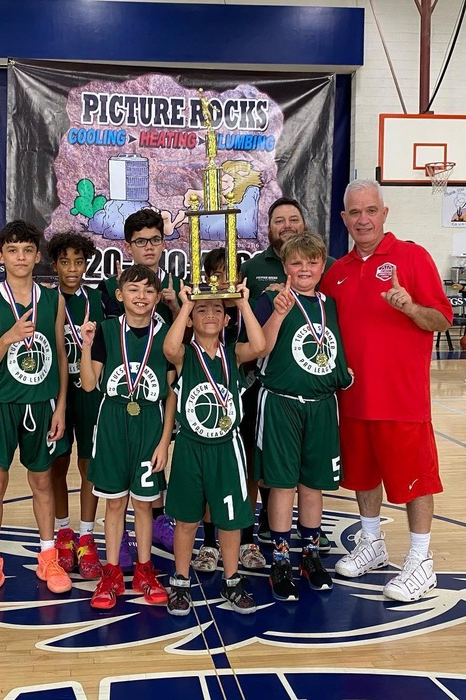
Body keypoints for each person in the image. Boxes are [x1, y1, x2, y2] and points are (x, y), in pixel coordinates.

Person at [320, 179, 453, 602]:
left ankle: (420, 560)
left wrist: (410, 306)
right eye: (354, 212)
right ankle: (372, 542)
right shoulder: (336, 273)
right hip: (354, 398)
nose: (363, 219)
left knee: (414, 482)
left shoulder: (411, 257)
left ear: (384, 212)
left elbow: (442, 321)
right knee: (363, 476)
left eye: (370, 210)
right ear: (344, 219)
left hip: (401, 398)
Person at [0, 220, 71, 604]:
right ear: (1, 257)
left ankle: (48, 557)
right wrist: (9, 335)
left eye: (27, 250)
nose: (21, 257)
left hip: (42, 404)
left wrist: (60, 405)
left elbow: (61, 354)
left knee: (42, 482)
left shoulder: (53, 300)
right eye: (12, 251)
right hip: (1, 405)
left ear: (37, 256)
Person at [254, 233, 353, 601]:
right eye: (296, 263)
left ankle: (310, 555)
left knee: (313, 484)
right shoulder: (272, 299)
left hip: (322, 404)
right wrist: (279, 314)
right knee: (282, 484)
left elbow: (336, 349)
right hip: (282, 402)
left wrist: (344, 376)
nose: (305, 268)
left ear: (322, 264)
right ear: (285, 267)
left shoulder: (330, 305)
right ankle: (280, 559)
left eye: (312, 262)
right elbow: (258, 348)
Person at [163, 279, 266, 616]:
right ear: (192, 318)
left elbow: (261, 345)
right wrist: (186, 305)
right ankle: (179, 580)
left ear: (226, 320)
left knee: (230, 519)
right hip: (191, 448)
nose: (210, 314)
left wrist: (245, 303)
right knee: (187, 521)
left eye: (217, 310)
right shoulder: (184, 355)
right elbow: (169, 348)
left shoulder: (234, 354)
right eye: (202, 310)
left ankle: (232, 579)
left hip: (227, 449)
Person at [240, 197, 335, 551]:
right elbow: (247, 330)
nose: (286, 225)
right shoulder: (253, 268)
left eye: (293, 218)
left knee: (310, 475)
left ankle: (310, 537)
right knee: (264, 458)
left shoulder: (329, 271)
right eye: (278, 220)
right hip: (267, 384)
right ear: (269, 228)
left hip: (311, 383)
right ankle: (264, 523)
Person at [80, 265, 176, 609]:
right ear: (120, 295)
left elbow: (170, 394)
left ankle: (144, 570)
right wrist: (86, 347)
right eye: (133, 289)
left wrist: (165, 442)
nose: (141, 297)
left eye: (149, 291)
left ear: (157, 297)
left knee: (144, 504)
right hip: (111, 424)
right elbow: (90, 384)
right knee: (116, 502)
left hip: (149, 423)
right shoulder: (106, 331)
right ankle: (111, 572)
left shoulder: (166, 334)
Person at [97, 207, 181, 557]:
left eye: (155, 240)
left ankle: (158, 520)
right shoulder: (108, 290)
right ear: (128, 246)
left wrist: (177, 307)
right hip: (117, 394)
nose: (149, 247)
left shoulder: (174, 286)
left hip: (156, 393)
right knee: (116, 478)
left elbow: (184, 344)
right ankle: (118, 540)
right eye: (141, 241)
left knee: (155, 460)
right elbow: (107, 345)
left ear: (164, 242)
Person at [190, 248, 267, 574]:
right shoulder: (205, 312)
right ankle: (209, 542)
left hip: (248, 397)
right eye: (219, 273)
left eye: (232, 273)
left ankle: (246, 537)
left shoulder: (252, 308)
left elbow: (262, 346)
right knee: (210, 472)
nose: (226, 280)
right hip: (209, 404)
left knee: (246, 469)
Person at [45, 231, 104, 580]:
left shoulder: (99, 299)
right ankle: (63, 532)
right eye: (65, 261)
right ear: (54, 264)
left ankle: (85, 536)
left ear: (86, 264)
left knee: (88, 466)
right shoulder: (45, 300)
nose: (72, 268)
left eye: (78, 262)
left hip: (90, 391)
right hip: (56, 393)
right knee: (57, 463)